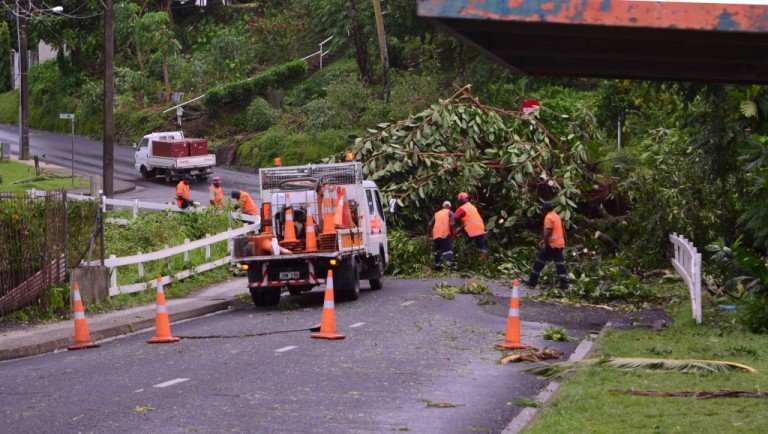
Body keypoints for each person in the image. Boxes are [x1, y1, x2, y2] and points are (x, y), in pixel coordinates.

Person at [523, 201, 569, 290]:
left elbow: (548, 230)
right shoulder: (556, 216)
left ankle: (532, 282)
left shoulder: (548, 217)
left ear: (544, 209)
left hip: (551, 245)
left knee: (539, 262)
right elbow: (561, 230)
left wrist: (545, 242)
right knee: (560, 264)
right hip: (559, 244)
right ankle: (564, 284)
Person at [453, 192, 488, 260]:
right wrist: (460, 228)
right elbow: (471, 221)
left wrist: (455, 230)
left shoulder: (461, 208)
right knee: (481, 247)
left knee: (467, 245)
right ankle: (483, 263)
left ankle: (469, 262)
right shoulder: (473, 207)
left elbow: (453, 218)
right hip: (480, 228)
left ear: (460, 200)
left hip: (470, 230)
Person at [428, 201, 455, 270]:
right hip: (445, 233)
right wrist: (452, 234)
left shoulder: (437, 214)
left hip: (436, 235)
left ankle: (437, 267)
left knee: (437, 251)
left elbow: (430, 224)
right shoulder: (450, 212)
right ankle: (448, 267)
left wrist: (429, 234)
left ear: (443, 207)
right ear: (449, 207)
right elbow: (452, 224)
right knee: (448, 250)